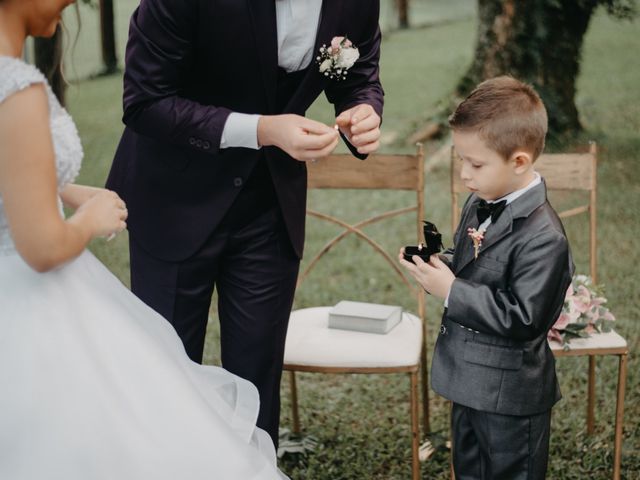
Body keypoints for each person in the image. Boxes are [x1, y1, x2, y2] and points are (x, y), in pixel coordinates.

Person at [0, 1, 286, 478]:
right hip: (32, 310)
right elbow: (44, 249)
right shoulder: (17, 88)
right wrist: (90, 218)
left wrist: (60, 188)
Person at [105, 0, 384, 445]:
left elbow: (360, 74)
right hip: (174, 198)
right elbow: (145, 102)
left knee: (256, 375)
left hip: (270, 203)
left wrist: (364, 110)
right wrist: (261, 130)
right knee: (166, 370)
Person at [399, 76, 574, 479]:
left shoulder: (545, 237)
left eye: (475, 163)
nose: (464, 174)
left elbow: (523, 319)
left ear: (519, 162)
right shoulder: (481, 203)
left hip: (511, 398)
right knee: (470, 471)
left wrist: (451, 291)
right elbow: (473, 264)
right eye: (461, 160)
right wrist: (437, 265)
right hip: (467, 381)